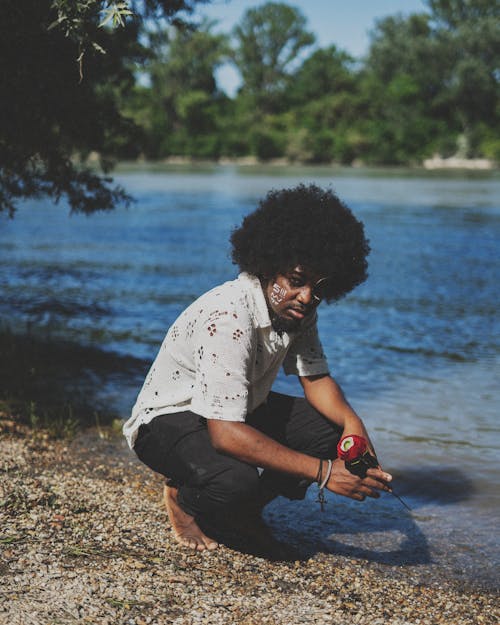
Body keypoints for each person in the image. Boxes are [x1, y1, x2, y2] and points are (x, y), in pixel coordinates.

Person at [123, 184, 392, 551]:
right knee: (235, 480)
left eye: (318, 286)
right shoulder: (230, 316)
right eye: (296, 282)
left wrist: (353, 425)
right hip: (168, 420)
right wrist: (325, 472)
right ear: (267, 267)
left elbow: (314, 378)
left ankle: (241, 512)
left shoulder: (299, 310)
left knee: (328, 430)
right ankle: (184, 500)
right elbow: (226, 434)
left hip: (234, 410)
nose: (307, 296)